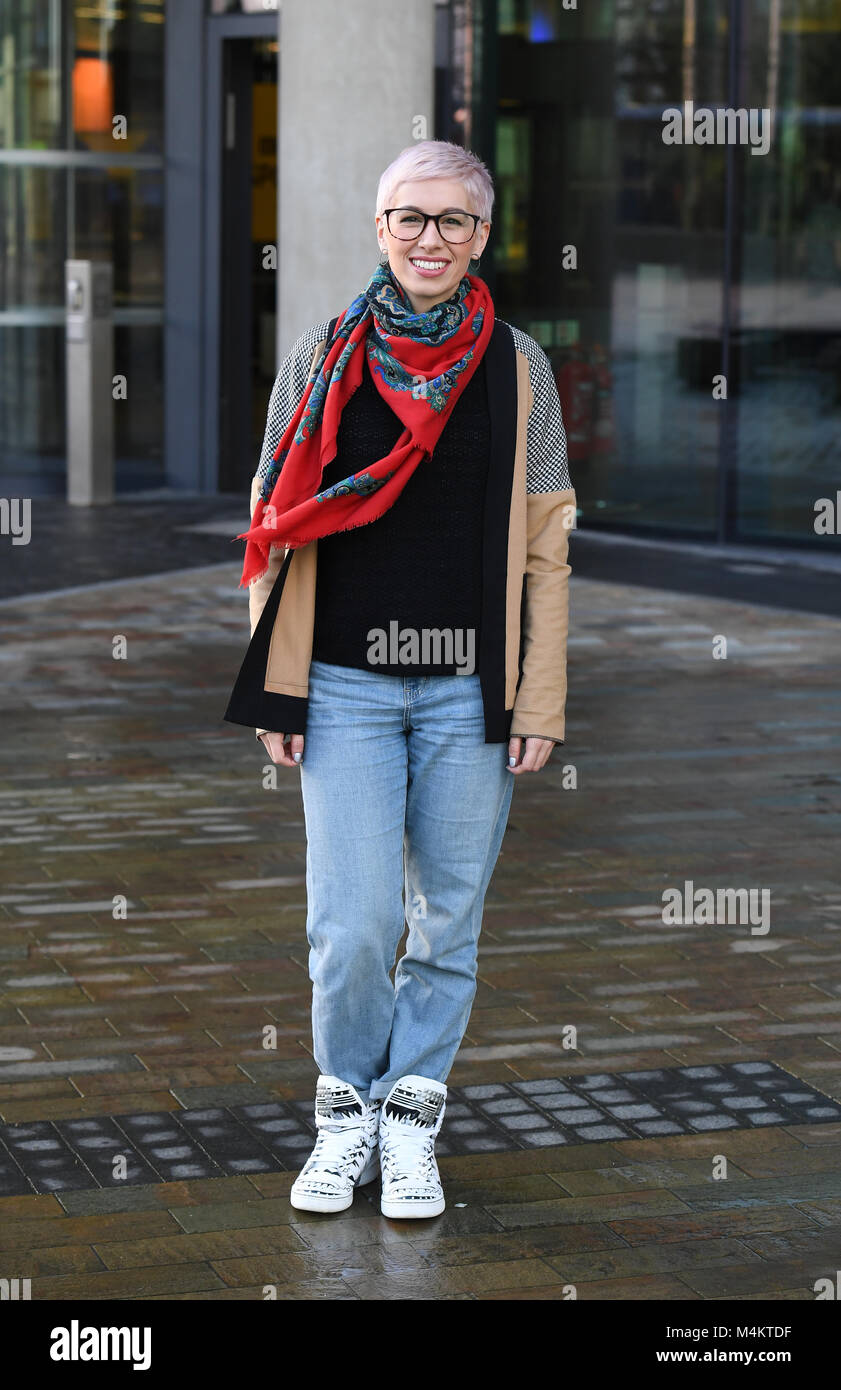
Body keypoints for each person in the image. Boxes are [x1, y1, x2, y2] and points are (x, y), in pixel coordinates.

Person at [224, 140, 575, 1220]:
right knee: (357, 923)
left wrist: (540, 697)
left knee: (449, 918)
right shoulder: (322, 353)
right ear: (381, 229)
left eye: (453, 222)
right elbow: (272, 521)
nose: (430, 239)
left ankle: (410, 1114)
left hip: (471, 691)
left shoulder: (517, 366)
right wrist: (275, 689)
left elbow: (545, 541)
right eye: (409, 218)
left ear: (482, 236)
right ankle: (344, 1113)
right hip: (342, 687)